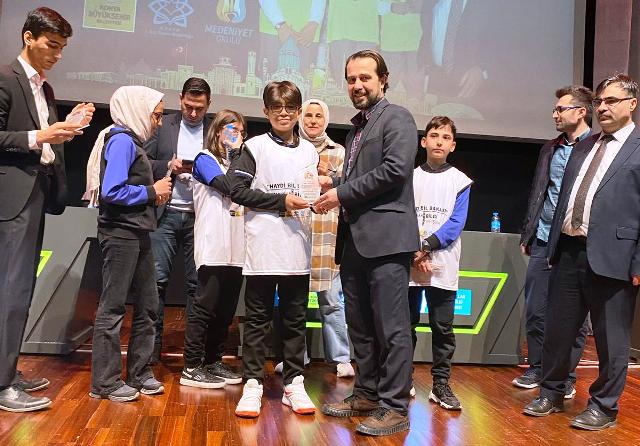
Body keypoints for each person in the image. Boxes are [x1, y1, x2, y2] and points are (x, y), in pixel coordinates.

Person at [523, 74, 640, 431]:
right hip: (569, 251)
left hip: (615, 257)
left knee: (611, 339)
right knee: (558, 330)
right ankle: (552, 392)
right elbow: (564, 198)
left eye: (611, 101)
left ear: (632, 104)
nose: (602, 107)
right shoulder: (585, 146)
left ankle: (604, 406)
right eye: (600, 101)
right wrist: (553, 246)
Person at [316, 50, 419, 436]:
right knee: (359, 326)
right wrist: (335, 184)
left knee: (391, 328)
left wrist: (341, 193)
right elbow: (365, 177)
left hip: (388, 240)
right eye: (351, 79)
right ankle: (367, 393)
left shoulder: (397, 118)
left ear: (383, 80)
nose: (357, 85)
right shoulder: (356, 129)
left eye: (365, 78)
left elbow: (395, 170)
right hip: (356, 241)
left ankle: (394, 406)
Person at [0, 7, 94, 412]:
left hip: (37, 192)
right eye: (51, 45)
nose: (57, 55)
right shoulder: (6, 79)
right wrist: (41, 135)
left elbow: (46, 141)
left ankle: (7, 371)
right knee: (11, 290)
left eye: (61, 48)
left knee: (20, 289)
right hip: (12, 197)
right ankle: (3, 385)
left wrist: (66, 128)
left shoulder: (46, 90)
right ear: (28, 38)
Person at [229, 81, 318, 418]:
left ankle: (294, 383)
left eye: (290, 107)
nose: (284, 113)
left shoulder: (309, 151)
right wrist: (281, 201)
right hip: (264, 247)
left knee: (295, 321)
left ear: (298, 111)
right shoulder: (254, 147)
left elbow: (308, 192)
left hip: (298, 247)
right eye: (276, 107)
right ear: (265, 111)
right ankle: (252, 383)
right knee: (257, 321)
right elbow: (237, 191)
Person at [90, 86, 171, 402]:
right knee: (112, 307)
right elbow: (112, 191)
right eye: (156, 115)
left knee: (149, 305)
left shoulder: (132, 142)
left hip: (138, 232)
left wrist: (150, 193)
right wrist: (152, 191)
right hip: (120, 233)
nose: (158, 123)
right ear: (138, 110)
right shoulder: (122, 141)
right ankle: (105, 383)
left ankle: (139, 373)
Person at [515, 86, 593, 395]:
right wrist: (528, 232)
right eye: (555, 109)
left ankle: (566, 376)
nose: (555, 114)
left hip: (575, 243)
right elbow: (538, 192)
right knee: (535, 309)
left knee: (574, 317)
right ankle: (537, 367)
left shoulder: (596, 148)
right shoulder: (550, 148)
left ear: (581, 112)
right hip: (544, 238)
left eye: (561, 109)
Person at [273, 98, 354, 378]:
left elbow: (349, 186)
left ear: (326, 120)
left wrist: (329, 178)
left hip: (327, 232)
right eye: (308, 115)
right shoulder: (290, 148)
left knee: (331, 301)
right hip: (295, 230)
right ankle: (296, 357)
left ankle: (340, 357)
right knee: (293, 302)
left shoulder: (339, 151)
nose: (313, 120)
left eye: (319, 116)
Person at [145, 77, 212, 365]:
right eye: (188, 106)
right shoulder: (164, 125)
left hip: (201, 217)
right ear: (180, 99)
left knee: (198, 286)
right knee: (156, 282)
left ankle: (194, 355)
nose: (193, 113)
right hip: (166, 213)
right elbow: (143, 161)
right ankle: (150, 353)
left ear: (208, 105)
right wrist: (168, 166)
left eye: (199, 108)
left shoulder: (215, 130)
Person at [408, 116, 471, 411]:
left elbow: (456, 223)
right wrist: (414, 250)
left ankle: (440, 385)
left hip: (442, 263)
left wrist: (426, 247)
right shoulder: (408, 177)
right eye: (434, 135)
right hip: (409, 262)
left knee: (442, 328)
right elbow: (402, 216)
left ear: (452, 146)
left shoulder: (460, 180)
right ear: (424, 141)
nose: (439, 141)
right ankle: (402, 379)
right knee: (405, 325)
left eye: (445, 137)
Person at [180, 110, 247, 388]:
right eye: (231, 130)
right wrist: (237, 155)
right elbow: (228, 186)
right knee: (204, 306)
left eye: (240, 131)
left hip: (237, 246)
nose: (237, 136)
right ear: (218, 131)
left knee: (226, 309)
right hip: (213, 244)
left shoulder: (239, 163)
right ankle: (191, 366)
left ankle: (213, 361)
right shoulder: (204, 159)